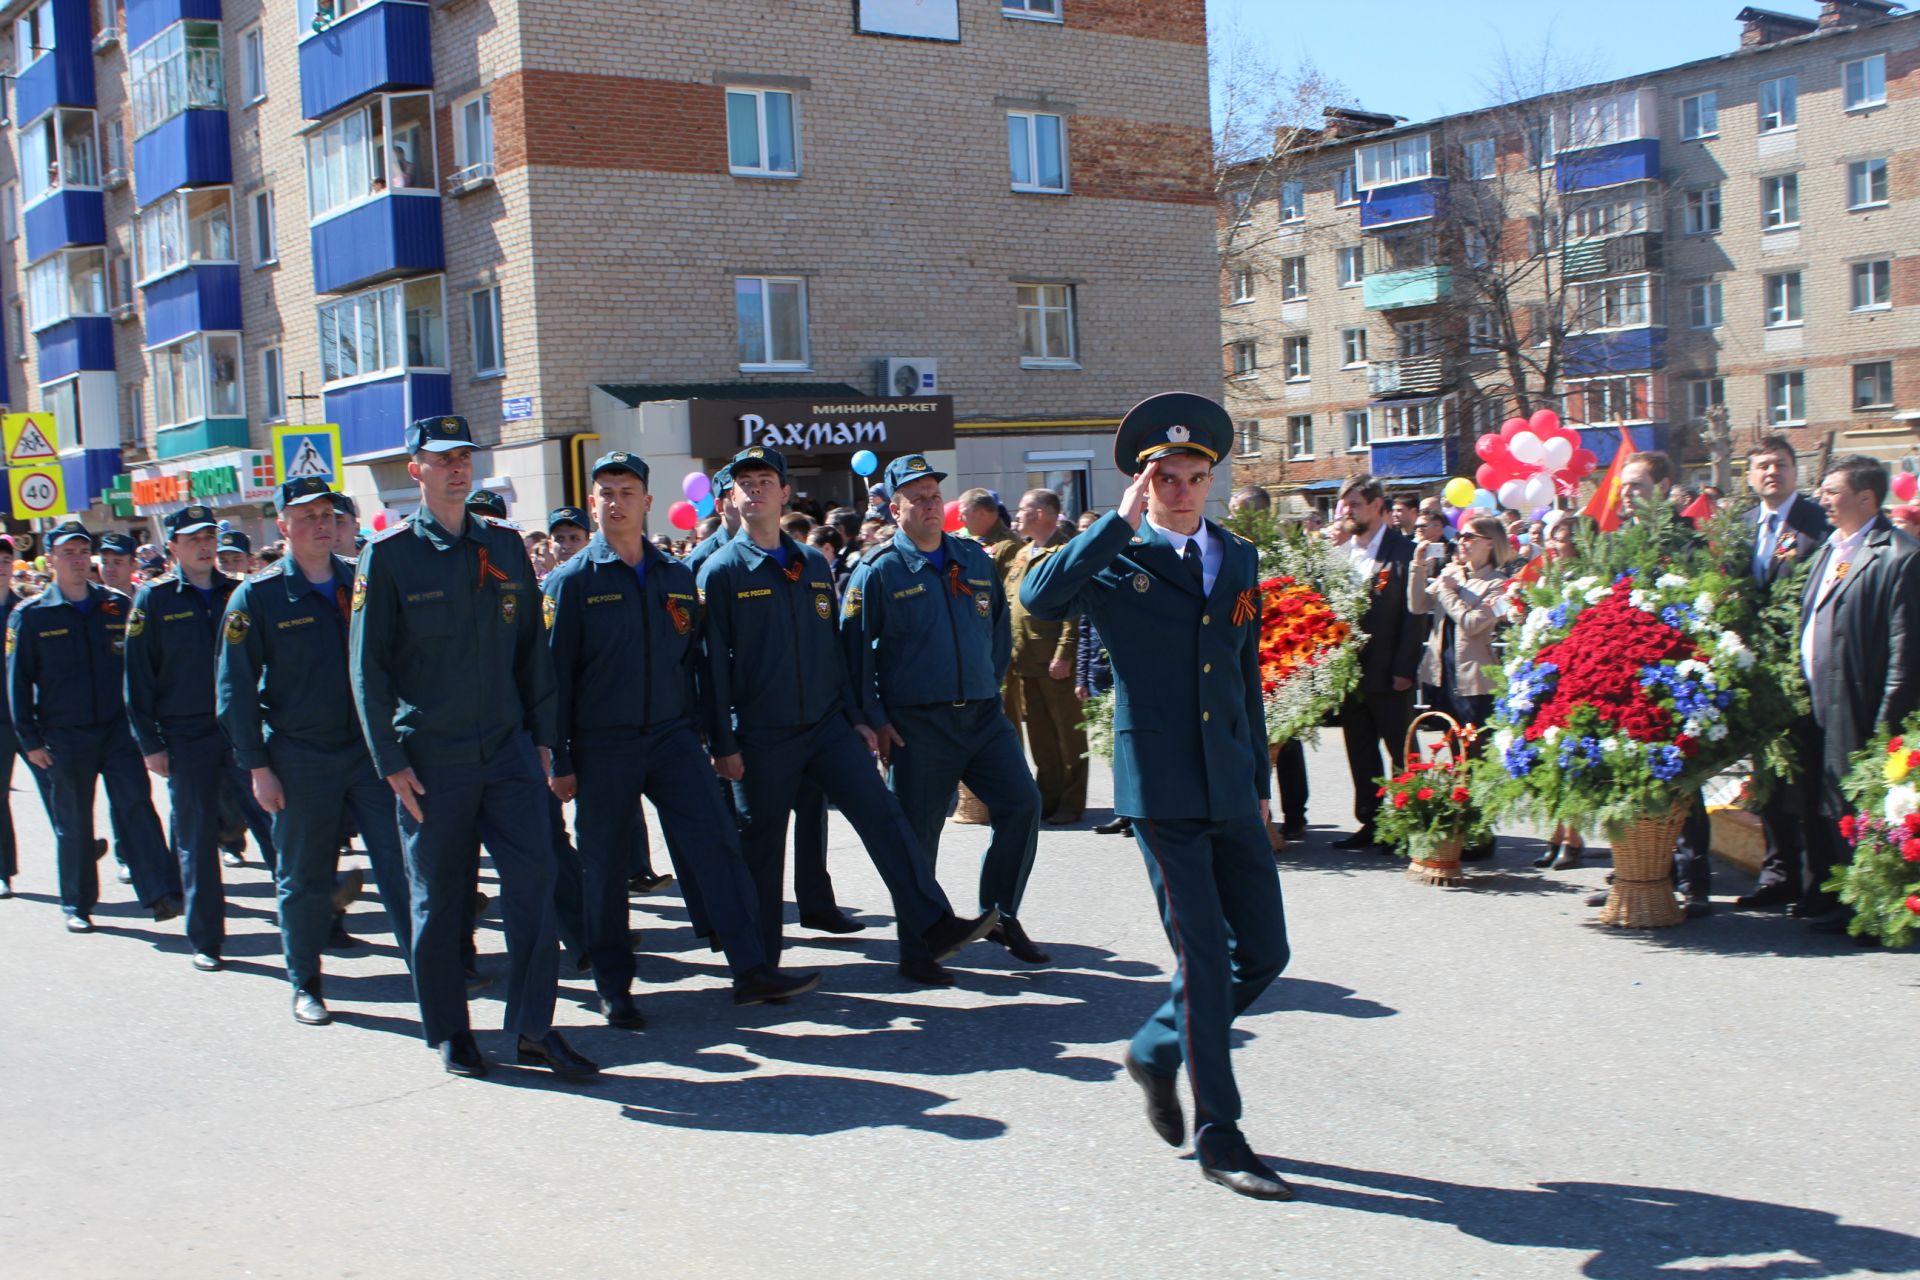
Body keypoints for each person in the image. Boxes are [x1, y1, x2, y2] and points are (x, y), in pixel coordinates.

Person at [1022, 392, 1293, 1202]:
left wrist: (1259, 784)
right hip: (1163, 790)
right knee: (1204, 960)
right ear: (1144, 484)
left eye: (1191, 475)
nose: (1178, 488)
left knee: (1266, 952)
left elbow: (1242, 674)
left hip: (1231, 782)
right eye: (1163, 476)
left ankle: (1156, 1047)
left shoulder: (1237, 558)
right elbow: (1039, 598)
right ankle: (1223, 1135)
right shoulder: (1115, 558)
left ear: (1212, 478)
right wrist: (1111, 523)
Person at [350, 414, 594, 1081]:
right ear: (416, 470)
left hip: (509, 752)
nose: (459, 468)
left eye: (465, 457)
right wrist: (389, 761)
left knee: (536, 885)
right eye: (443, 458)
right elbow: (366, 668)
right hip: (431, 759)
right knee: (439, 900)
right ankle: (451, 1031)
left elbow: (531, 655)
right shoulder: (390, 556)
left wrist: (545, 739)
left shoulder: (506, 546)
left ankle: (532, 1028)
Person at [695, 444, 999, 979]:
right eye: (746, 482)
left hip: (826, 725)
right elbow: (709, 666)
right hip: (761, 733)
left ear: (786, 493)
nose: (757, 488)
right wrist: (722, 742)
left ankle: (933, 924)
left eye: (767, 480)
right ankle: (757, 969)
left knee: (884, 817)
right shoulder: (719, 571)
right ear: (732, 496)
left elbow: (835, 648)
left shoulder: (811, 563)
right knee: (762, 851)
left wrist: (859, 716)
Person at [545, 450, 820, 1022]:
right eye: (605, 493)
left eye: (626, 492)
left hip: (674, 738)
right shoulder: (572, 582)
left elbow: (704, 664)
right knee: (604, 868)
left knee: (717, 847)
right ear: (595, 504)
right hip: (603, 744)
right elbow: (554, 679)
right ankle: (614, 984)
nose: (615, 502)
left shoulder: (677, 577)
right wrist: (559, 758)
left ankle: (751, 969)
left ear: (647, 503)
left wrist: (721, 741)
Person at [216, 477, 416, 1025]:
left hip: (370, 753)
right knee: (303, 878)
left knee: (402, 867)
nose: (320, 525)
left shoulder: (363, 582)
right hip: (300, 758)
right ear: (282, 526)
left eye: (327, 514)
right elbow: (233, 691)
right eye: (306, 516)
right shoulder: (255, 596)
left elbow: (396, 662)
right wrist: (258, 767)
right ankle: (305, 983)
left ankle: (428, 975)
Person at [842, 454, 1048, 982]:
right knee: (919, 834)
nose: (931, 505)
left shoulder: (971, 559)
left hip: (981, 716)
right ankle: (916, 949)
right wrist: (874, 717)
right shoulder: (879, 569)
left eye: (935, 495)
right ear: (896, 508)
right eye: (918, 497)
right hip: (917, 724)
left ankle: (1000, 915)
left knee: (1022, 804)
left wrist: (988, 683)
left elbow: (998, 631)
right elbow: (853, 656)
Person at [125, 505, 279, 971]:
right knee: (195, 837)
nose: (204, 546)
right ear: (172, 547)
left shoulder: (240, 593)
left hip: (241, 732)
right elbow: (137, 677)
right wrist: (149, 743)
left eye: (209, 537)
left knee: (277, 824)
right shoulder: (153, 600)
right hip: (185, 733)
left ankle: (319, 920)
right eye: (192, 539)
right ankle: (207, 939)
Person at [7, 522, 180, 932]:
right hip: (64, 735)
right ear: (51, 559)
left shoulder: (116, 606)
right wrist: (29, 739)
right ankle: (77, 904)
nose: (78, 559)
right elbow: (17, 682)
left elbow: (139, 671)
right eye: (68, 552)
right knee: (74, 822)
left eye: (83, 552)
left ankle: (159, 893)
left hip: (118, 731)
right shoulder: (31, 616)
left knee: (137, 807)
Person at [1798, 456, 1920, 935]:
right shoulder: (1832, 548)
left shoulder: (1899, 554)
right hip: (1820, 699)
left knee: (1859, 810)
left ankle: (1868, 911)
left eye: (1832, 491)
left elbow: (1904, 649)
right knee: (1828, 803)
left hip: (1862, 701)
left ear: (1866, 498)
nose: (1822, 500)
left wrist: (1887, 726)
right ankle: (1839, 899)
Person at [1737, 436, 1831, 912]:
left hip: (1804, 675)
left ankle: (1819, 881)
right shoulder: (1743, 525)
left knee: (1810, 783)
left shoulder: (1818, 524)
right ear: (1749, 475)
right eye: (1761, 466)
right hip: (1758, 679)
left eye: (1779, 464)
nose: (1770, 472)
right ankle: (1779, 875)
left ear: (1796, 472)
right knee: (1769, 781)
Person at [1408, 515, 1511, 861]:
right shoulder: (1453, 574)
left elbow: (1473, 622)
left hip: (1476, 682)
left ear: (1490, 543)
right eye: (1461, 535)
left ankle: (1480, 832)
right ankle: (1458, 829)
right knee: (1452, 757)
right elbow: (1417, 605)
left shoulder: (1501, 585)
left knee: (1475, 759)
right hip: (1443, 675)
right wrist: (1419, 568)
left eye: (1471, 536)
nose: (1462, 541)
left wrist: (1448, 590)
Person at [1332, 476, 1420, 852]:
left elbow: (1414, 617)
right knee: (1360, 748)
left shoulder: (1404, 552)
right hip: (1351, 674)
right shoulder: (1342, 552)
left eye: (1354, 504)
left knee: (1401, 749)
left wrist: (1405, 668)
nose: (1347, 511)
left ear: (1378, 507)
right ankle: (1371, 820)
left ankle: (1408, 819)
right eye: (1345, 504)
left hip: (1389, 671)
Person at [1227, 485, 1307, 842]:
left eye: (1239, 510)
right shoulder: (1227, 550)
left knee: (1286, 741)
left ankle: (1295, 813)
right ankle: (1260, 814)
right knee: (1253, 739)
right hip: (1247, 652)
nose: (1232, 517)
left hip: (1281, 652)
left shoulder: (1275, 551)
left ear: (1259, 513)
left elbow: (1293, 595)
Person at [1006, 489, 1085, 824]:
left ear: (1041, 513)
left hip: (1052, 659)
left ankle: (1071, 801)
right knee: (1039, 735)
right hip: (1023, 658)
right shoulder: (1023, 553)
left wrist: (1064, 653)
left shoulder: (1062, 553)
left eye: (1023, 509)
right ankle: (1048, 797)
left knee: (1068, 734)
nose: (1017, 515)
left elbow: (1074, 609)